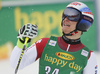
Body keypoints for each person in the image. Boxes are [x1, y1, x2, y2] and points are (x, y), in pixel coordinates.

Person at [10, 1, 98, 74]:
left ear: (83, 23)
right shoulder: (45, 43)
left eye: (72, 15)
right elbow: (16, 64)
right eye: (65, 14)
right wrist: (21, 41)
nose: (65, 19)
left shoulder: (88, 56)